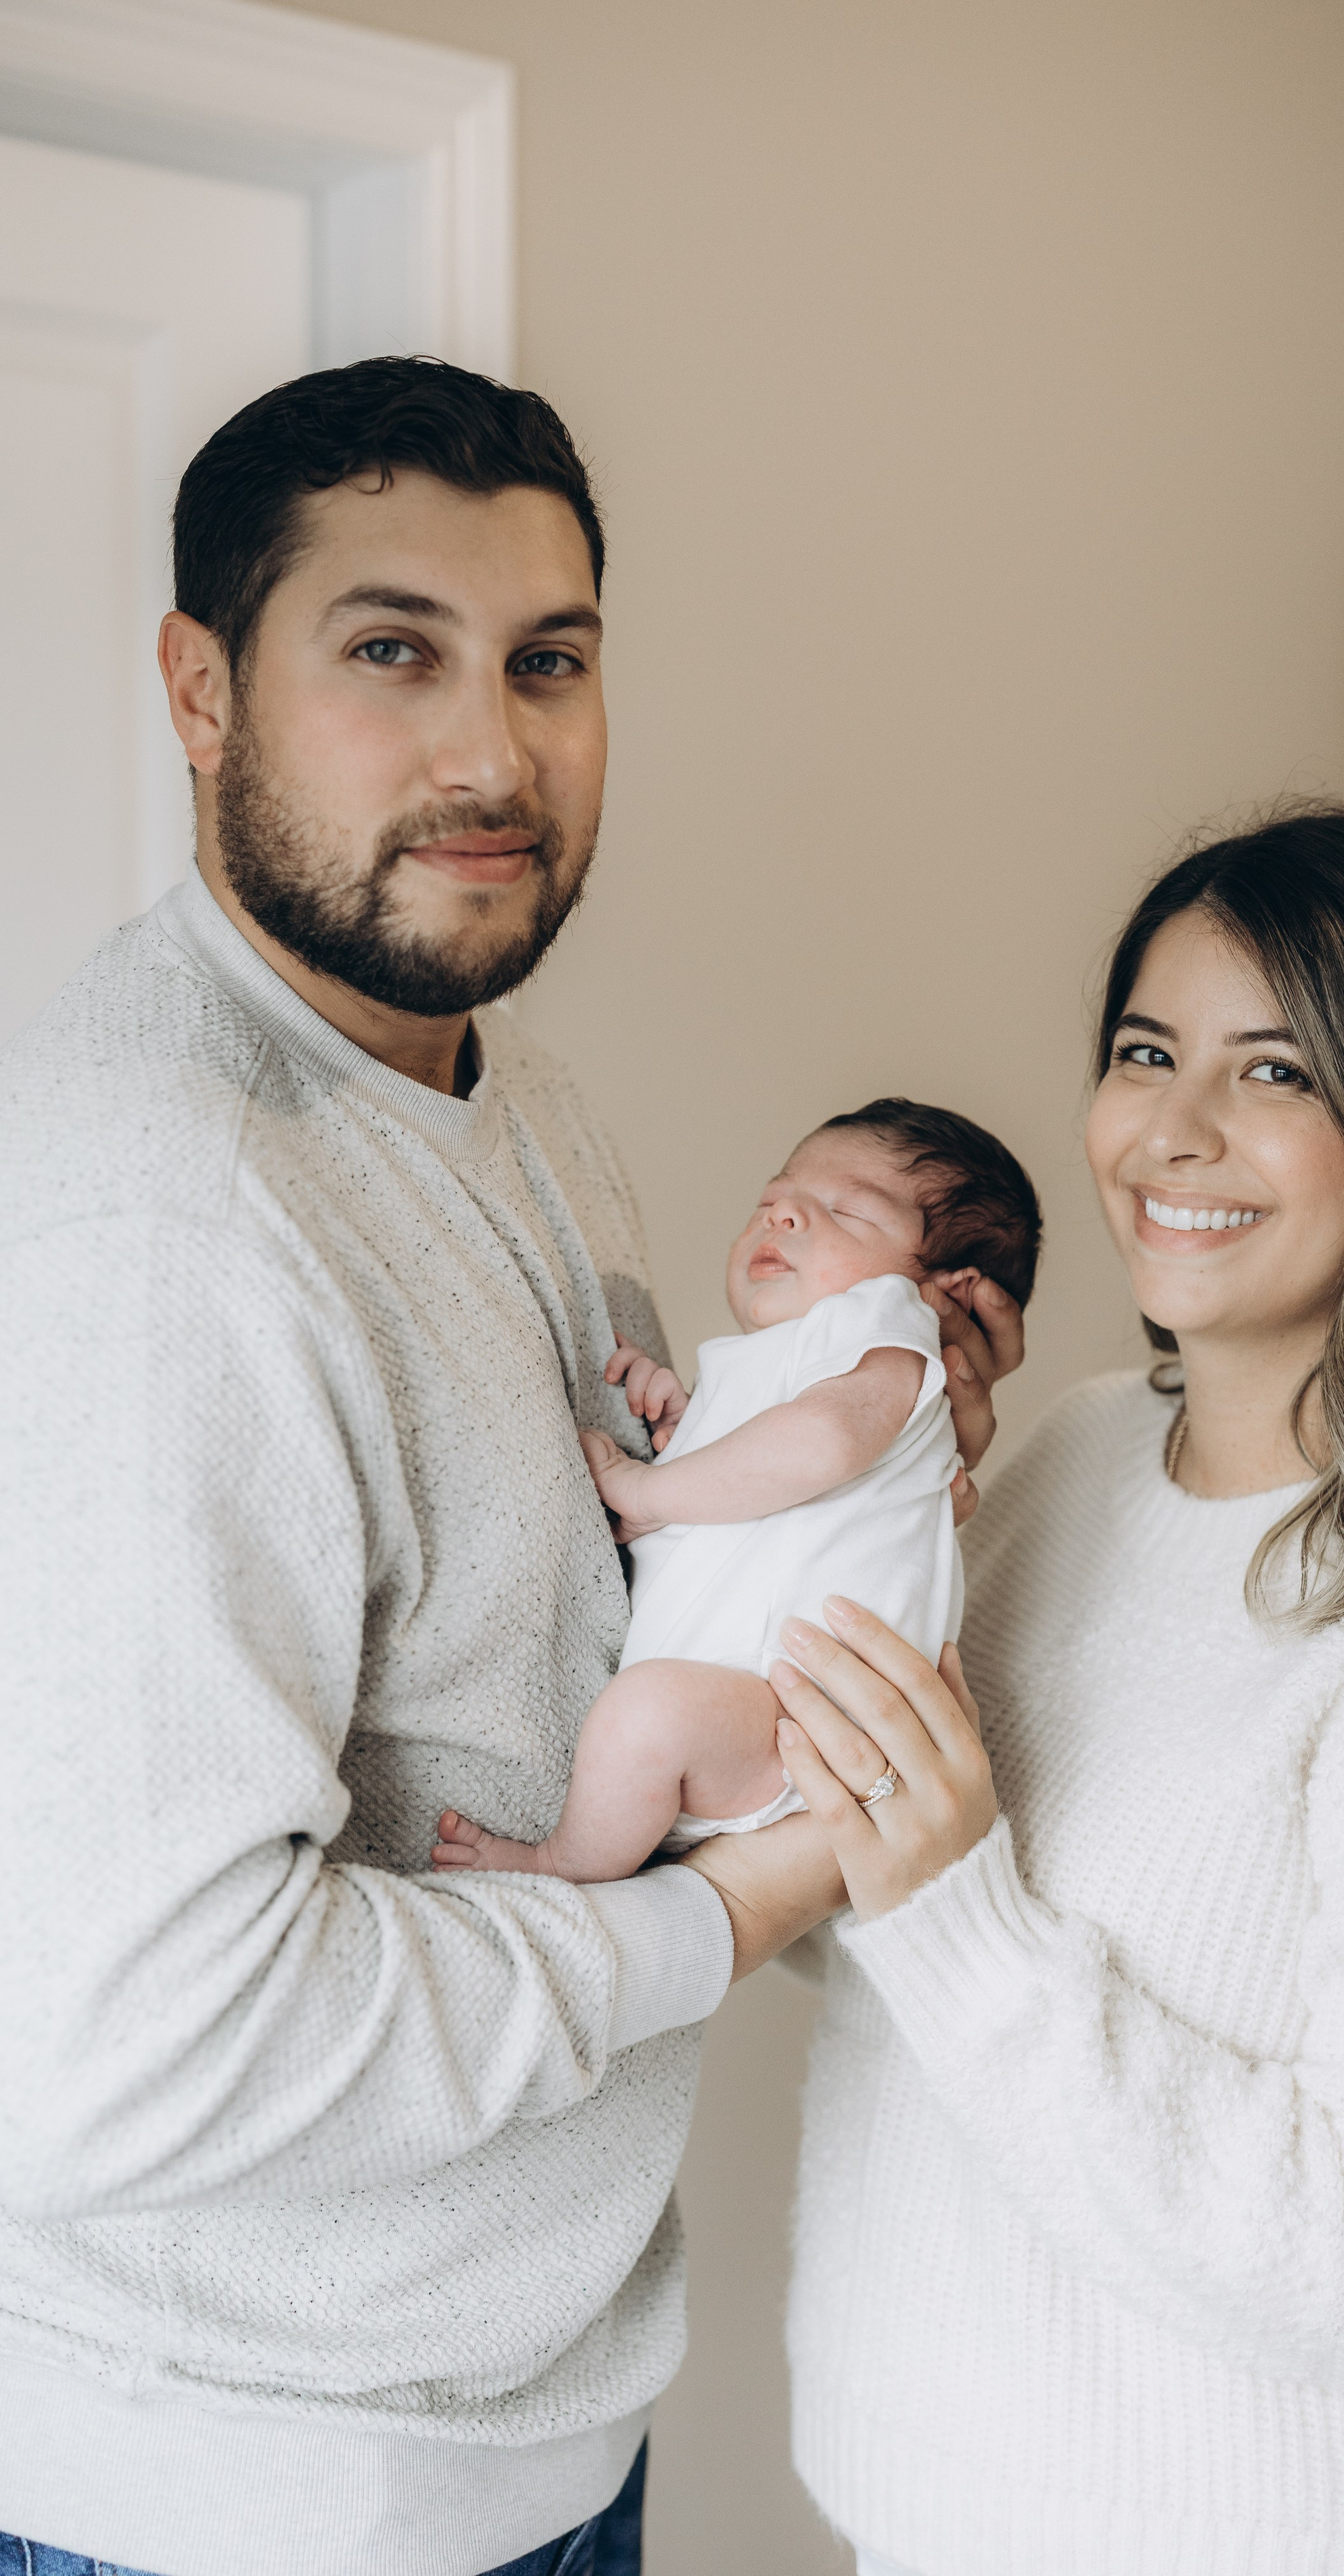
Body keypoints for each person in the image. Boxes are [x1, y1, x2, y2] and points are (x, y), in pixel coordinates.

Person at [0, 358, 1021, 2576]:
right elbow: (136, 2050)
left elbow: (581, 1618)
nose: (491, 754)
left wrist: (865, 1466)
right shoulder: (167, 1219)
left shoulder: (509, 1093)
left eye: (548, 662)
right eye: (394, 652)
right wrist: (728, 1910)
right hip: (246, 2504)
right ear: (200, 692)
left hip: (529, 2426)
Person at [770, 811, 1344, 2576]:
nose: (1173, 1131)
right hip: (932, 2517)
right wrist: (845, 1514)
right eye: (1143, 1051)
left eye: (1276, 1071)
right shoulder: (1074, 1458)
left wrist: (962, 1914)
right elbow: (866, 1928)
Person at [432, 1099, 1042, 1883]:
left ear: (947, 1294)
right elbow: (760, 1486)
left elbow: (821, 1443)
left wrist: (646, 1489)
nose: (782, 1213)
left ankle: (565, 1868)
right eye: (771, 1198)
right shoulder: (791, 1363)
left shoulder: (890, 1323)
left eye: (845, 1211)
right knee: (646, 1716)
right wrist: (685, 1426)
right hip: (748, 1713)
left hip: (794, 1717)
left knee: (645, 1716)